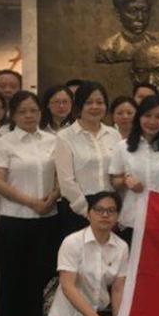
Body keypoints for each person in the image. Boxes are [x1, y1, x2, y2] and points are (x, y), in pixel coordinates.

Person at [0, 91, 60, 316]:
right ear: (13, 114)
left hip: (47, 217)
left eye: (33, 110)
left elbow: (61, 175)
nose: (29, 115)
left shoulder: (53, 140)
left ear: (41, 112)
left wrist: (52, 197)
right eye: (22, 111)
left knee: (38, 273)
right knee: (12, 274)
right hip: (16, 217)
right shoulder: (4, 142)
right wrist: (32, 202)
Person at [39, 191, 128, 316]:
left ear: (117, 216)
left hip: (99, 311)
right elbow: (67, 286)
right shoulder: (72, 242)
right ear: (88, 214)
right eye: (99, 210)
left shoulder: (121, 247)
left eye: (111, 211)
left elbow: (118, 289)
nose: (105, 215)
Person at [109, 96, 159, 244]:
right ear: (139, 117)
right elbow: (114, 181)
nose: (152, 121)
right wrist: (125, 181)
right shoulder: (123, 146)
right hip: (132, 217)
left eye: (158, 117)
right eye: (147, 115)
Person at [53, 81, 122, 235]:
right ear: (79, 106)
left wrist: (113, 210)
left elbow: (118, 173)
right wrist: (88, 212)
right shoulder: (65, 136)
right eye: (88, 102)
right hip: (78, 209)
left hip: (110, 208)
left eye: (100, 102)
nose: (95, 107)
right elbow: (66, 182)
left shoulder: (114, 134)